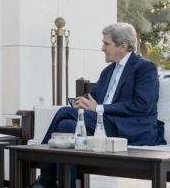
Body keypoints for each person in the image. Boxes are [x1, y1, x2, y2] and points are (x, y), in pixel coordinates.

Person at [29, 22, 166, 188]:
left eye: (106, 44)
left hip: (131, 127)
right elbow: (92, 97)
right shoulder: (108, 71)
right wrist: (83, 102)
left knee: (65, 112)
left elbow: (144, 105)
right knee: (67, 124)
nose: (102, 48)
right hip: (104, 124)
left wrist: (98, 108)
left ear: (123, 46)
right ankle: (66, 184)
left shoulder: (144, 67)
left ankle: (41, 169)